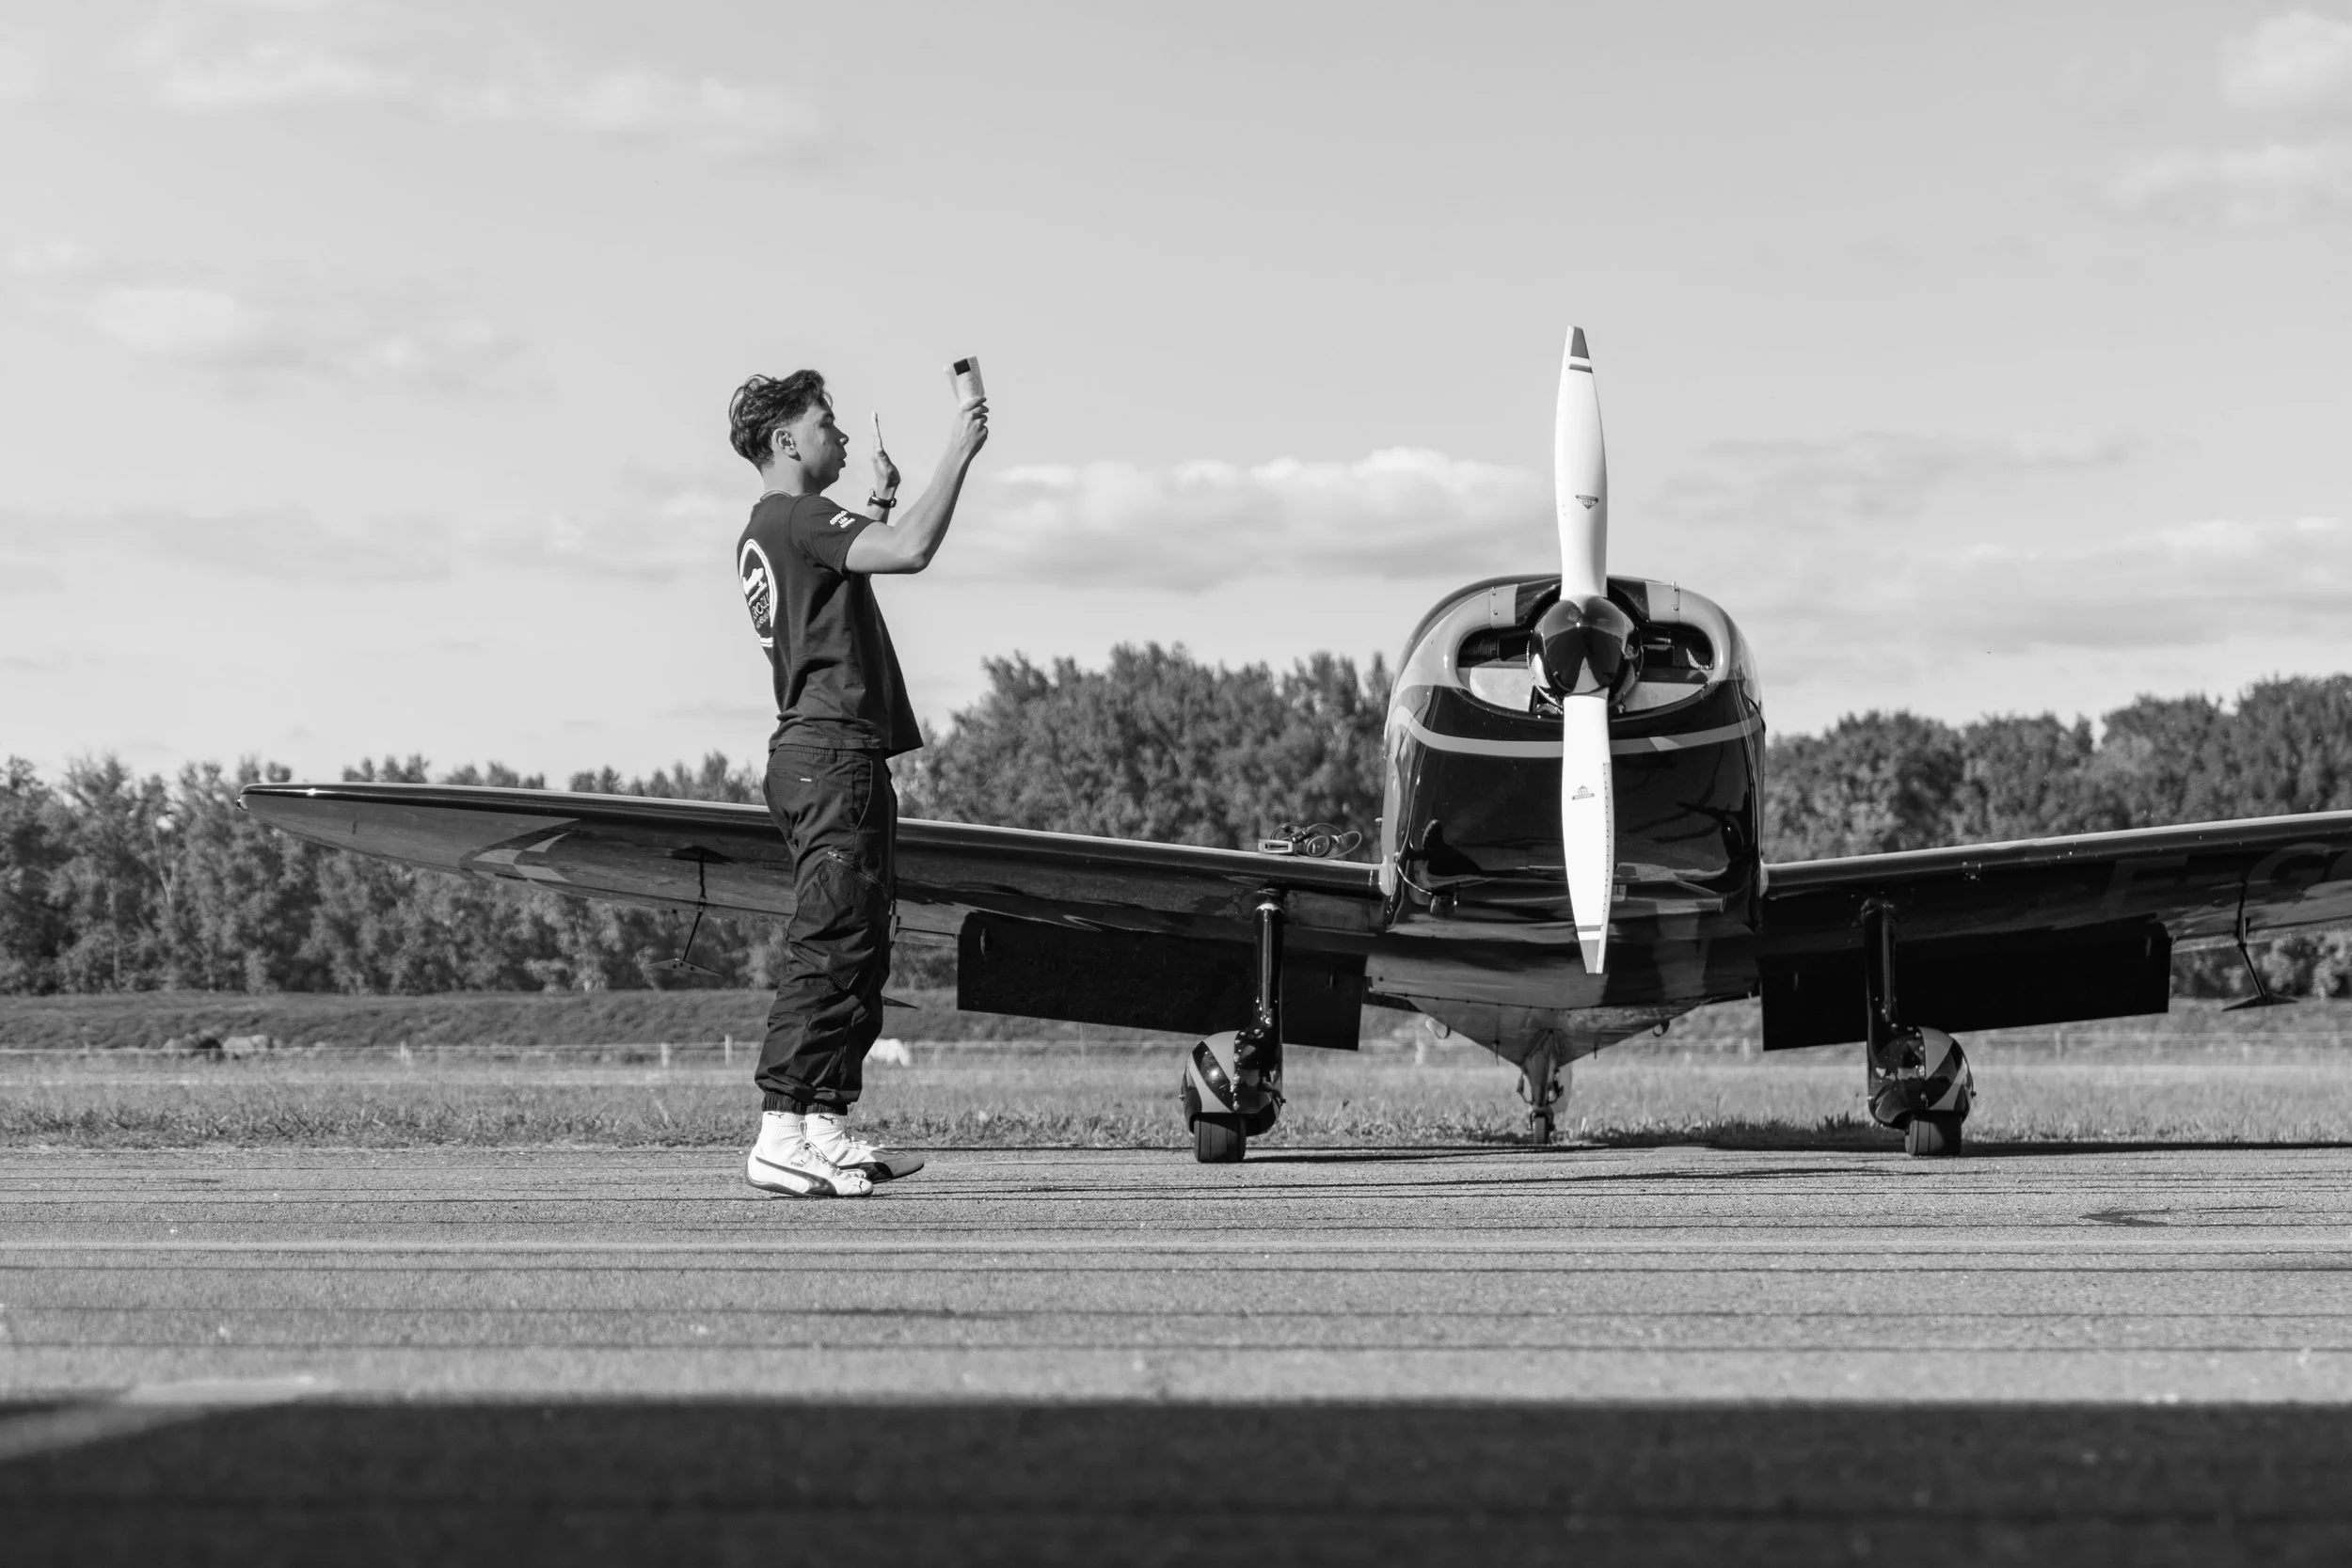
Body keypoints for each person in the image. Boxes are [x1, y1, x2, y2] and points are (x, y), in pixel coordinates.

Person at [727, 369, 988, 1197]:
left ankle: (821, 1126)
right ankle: (779, 1129)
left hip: (824, 756)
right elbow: (908, 549)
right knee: (833, 940)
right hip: (832, 756)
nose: (840, 435)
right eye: (826, 423)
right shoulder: (801, 515)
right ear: (785, 441)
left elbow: (835, 577)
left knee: (860, 943)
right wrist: (960, 449)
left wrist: (873, 503)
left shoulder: (773, 526)